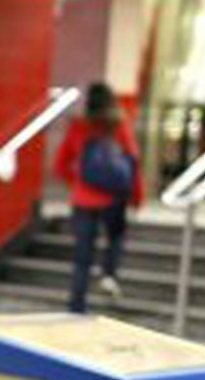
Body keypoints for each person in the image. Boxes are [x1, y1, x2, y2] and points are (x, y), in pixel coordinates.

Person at [54, 81, 142, 312]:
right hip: (113, 199)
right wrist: (136, 197)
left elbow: (60, 165)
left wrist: (77, 184)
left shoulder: (79, 127)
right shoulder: (119, 125)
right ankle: (109, 275)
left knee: (82, 258)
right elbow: (133, 163)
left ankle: (76, 306)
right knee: (115, 236)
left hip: (83, 201)